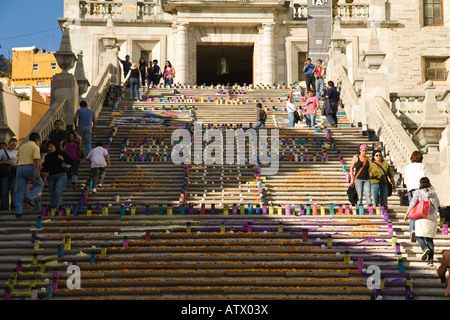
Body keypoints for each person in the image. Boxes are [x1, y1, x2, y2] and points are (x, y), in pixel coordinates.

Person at [404, 177, 439, 266]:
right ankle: (430, 261)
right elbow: (437, 204)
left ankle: (424, 248)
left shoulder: (418, 192)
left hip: (422, 216)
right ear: (429, 183)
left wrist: (407, 213)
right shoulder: (433, 193)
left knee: (418, 235)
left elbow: (413, 203)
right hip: (432, 217)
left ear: (420, 184)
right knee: (430, 239)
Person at [15, 132, 44, 217]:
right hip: (29, 168)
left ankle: (18, 212)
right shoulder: (35, 146)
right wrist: (38, 172)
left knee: (19, 191)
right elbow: (36, 160)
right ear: (36, 140)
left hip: (19, 168)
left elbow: (17, 159)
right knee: (40, 184)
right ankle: (29, 197)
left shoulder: (22, 147)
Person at [42, 140, 72, 210]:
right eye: (49, 147)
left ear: (55, 147)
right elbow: (45, 167)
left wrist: (62, 159)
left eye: (51, 147)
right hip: (51, 176)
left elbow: (70, 162)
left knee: (58, 191)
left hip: (61, 175)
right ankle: (52, 207)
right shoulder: (47, 156)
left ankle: (58, 207)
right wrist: (44, 173)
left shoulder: (61, 153)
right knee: (52, 193)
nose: (50, 148)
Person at [404, 151, 427, 242]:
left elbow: (406, 180)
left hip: (411, 189)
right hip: (419, 189)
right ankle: (420, 231)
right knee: (421, 210)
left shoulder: (407, 167)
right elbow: (423, 178)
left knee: (412, 210)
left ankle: (412, 230)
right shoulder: (421, 166)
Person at [0, 138, 18, 211]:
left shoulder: (18, 152)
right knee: (4, 191)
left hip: (14, 172)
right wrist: (6, 162)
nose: (13, 147)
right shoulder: (2, 151)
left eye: (14, 145)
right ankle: (5, 208)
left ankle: (14, 207)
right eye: (11, 145)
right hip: (5, 172)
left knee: (14, 190)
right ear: (8, 144)